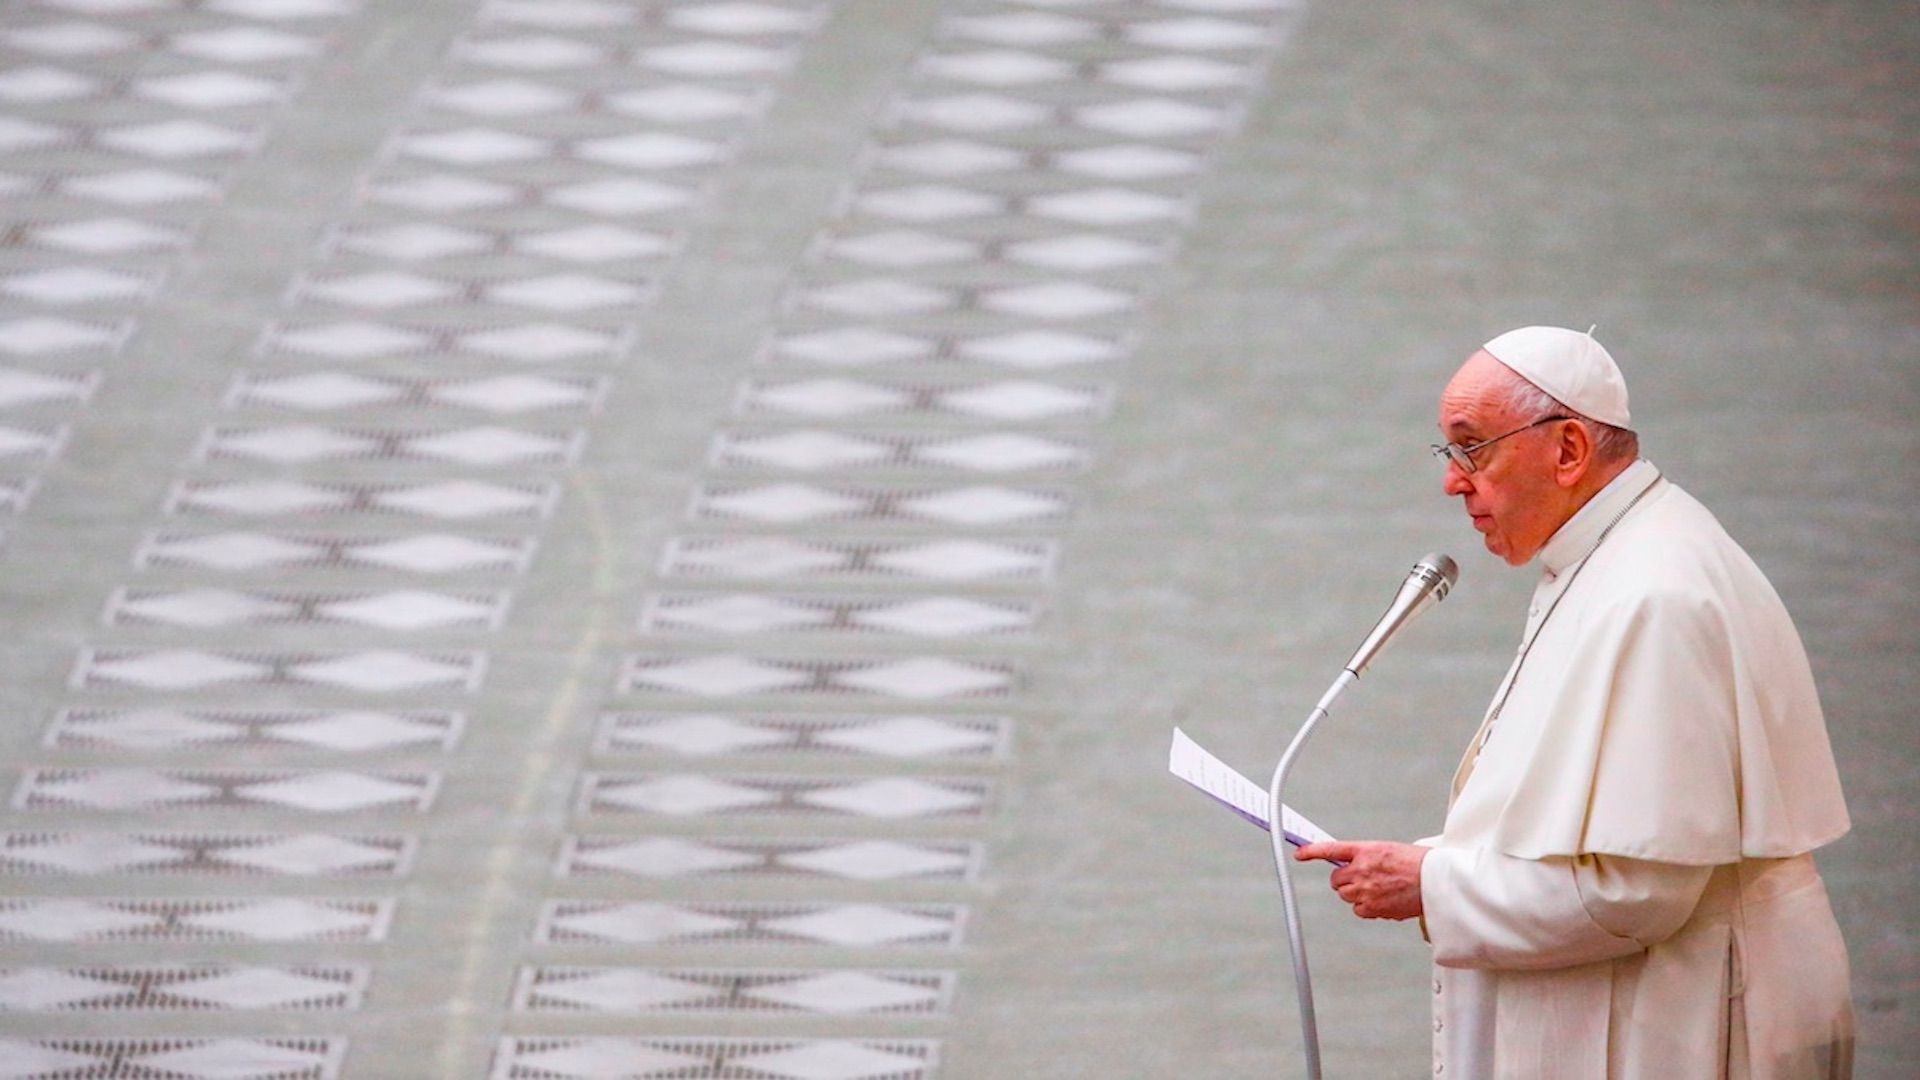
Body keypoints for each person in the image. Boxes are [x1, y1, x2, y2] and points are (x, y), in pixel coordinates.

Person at [1294, 326, 1856, 1079]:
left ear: (1567, 451)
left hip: (1690, 1025)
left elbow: (1637, 893)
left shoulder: (1656, 592)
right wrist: (1429, 863)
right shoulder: (1607, 555)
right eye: (1449, 452)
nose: (1453, 482)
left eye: (1473, 448)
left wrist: (1427, 883)